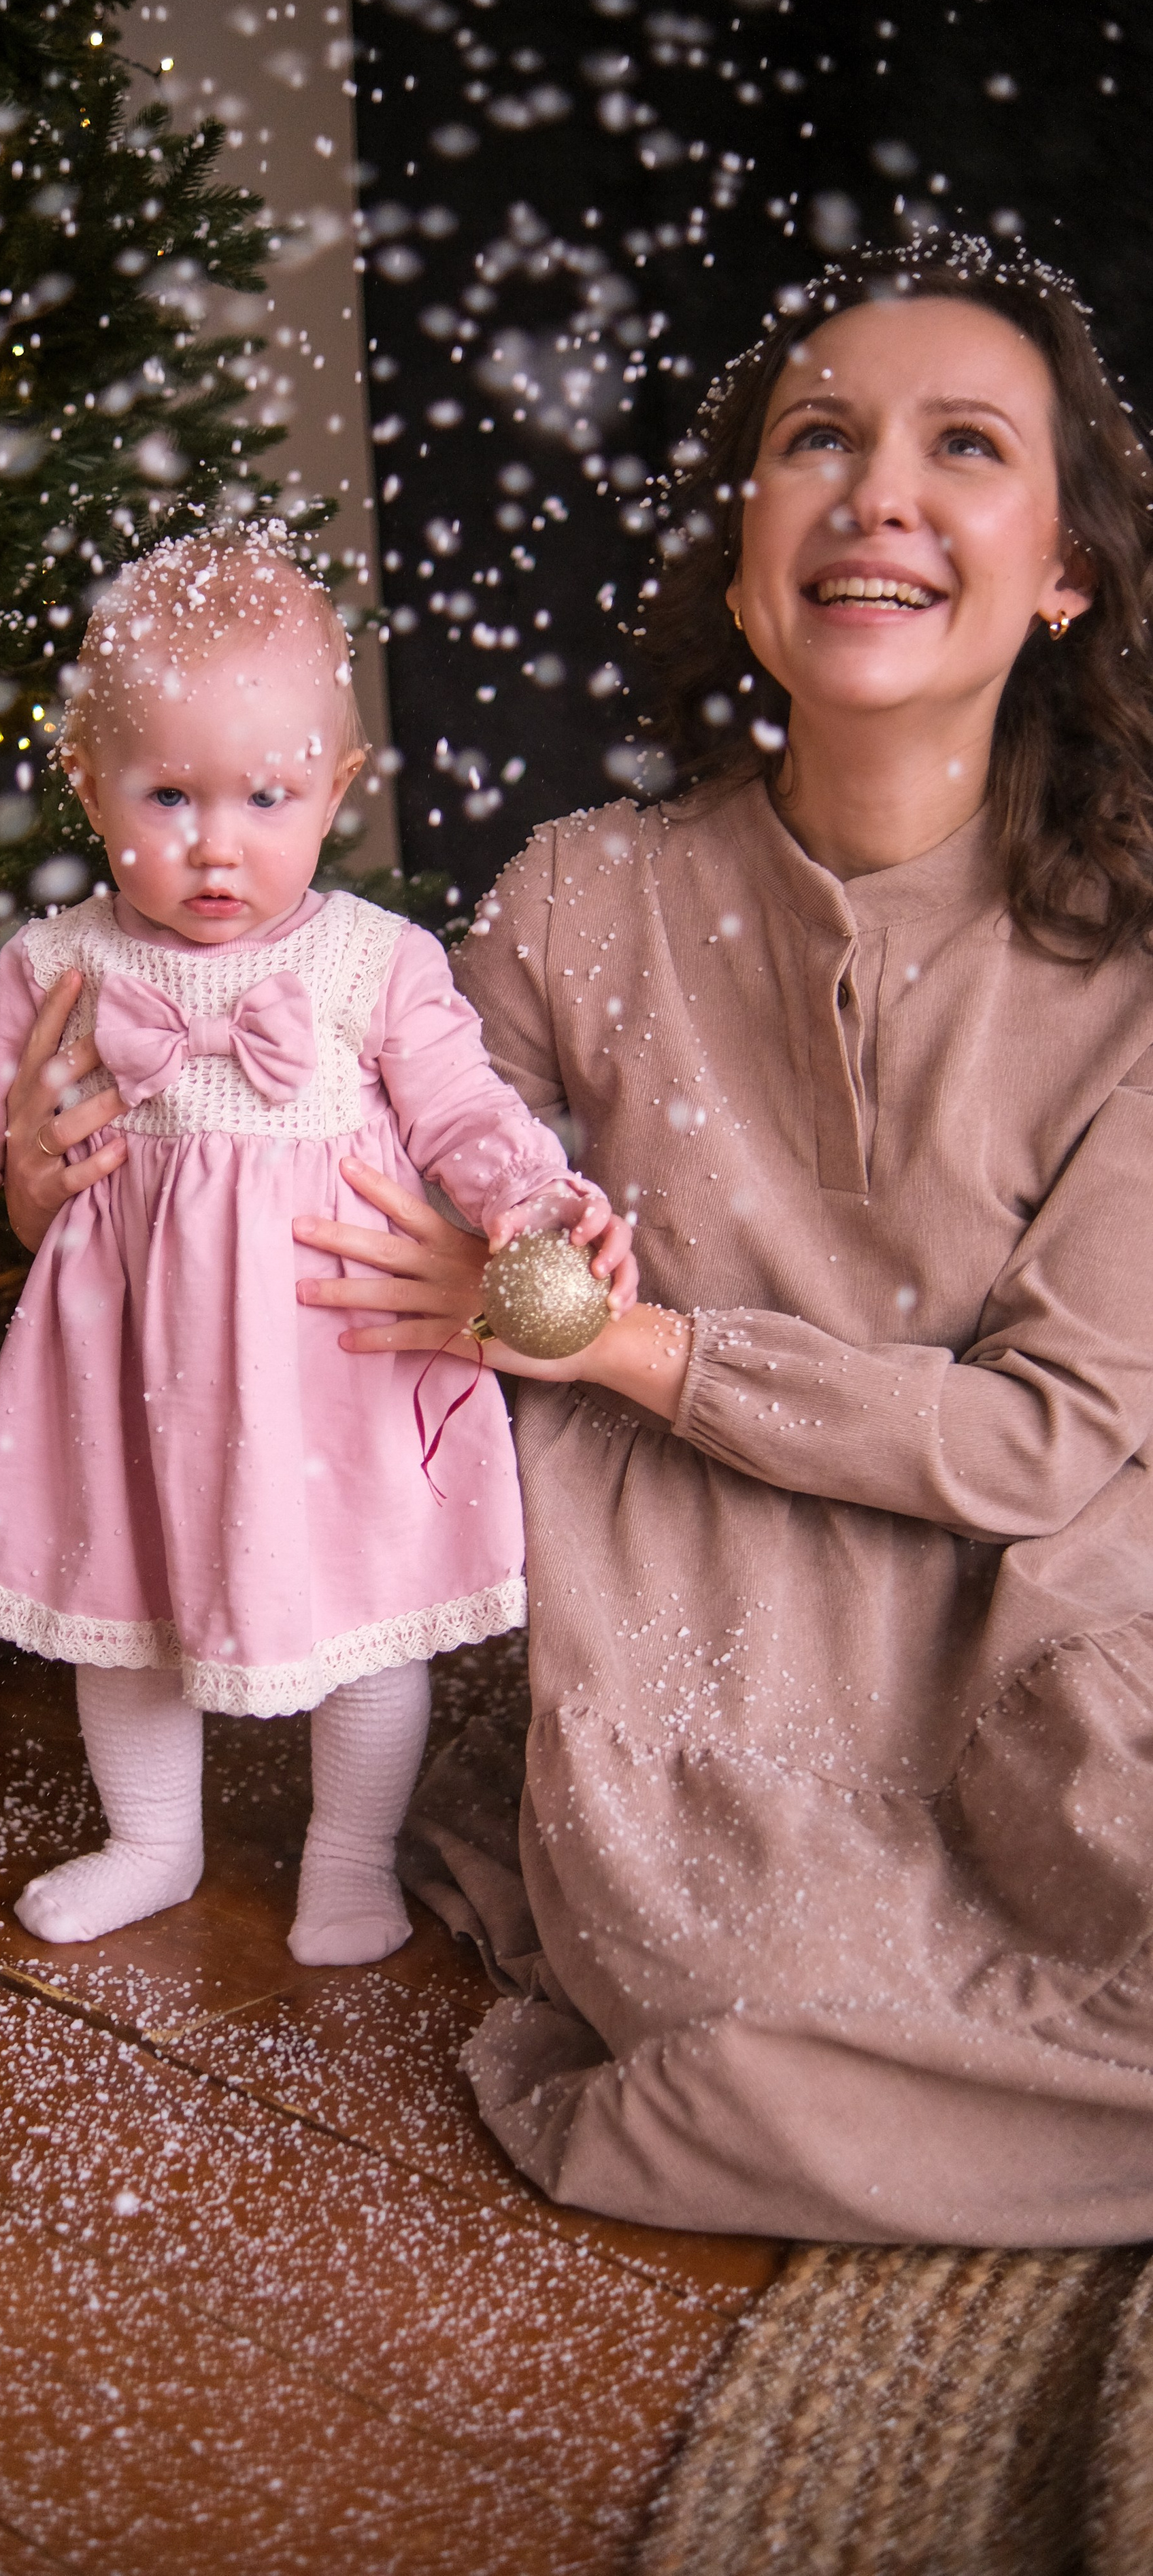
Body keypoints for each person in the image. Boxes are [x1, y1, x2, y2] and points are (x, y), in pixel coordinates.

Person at [282, 239, 1153, 2246]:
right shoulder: (586, 900)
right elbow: (354, 1221)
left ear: (1065, 576)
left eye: (965, 447)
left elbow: (1038, 1443)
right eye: (816, 441)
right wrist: (107, 1180)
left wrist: (635, 1351)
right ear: (751, 558)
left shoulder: (1126, 995)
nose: (879, 493)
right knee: (733, 2034)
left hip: (1045, 1586)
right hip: (694, 1626)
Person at [0, 528, 635, 1968]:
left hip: (331, 1363)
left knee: (370, 1629)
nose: (214, 843)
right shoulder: (58, 966)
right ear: (87, 784)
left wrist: (534, 1208)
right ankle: (151, 1843)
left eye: (265, 796)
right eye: (167, 795)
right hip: (131, 1364)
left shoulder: (373, 962)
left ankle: (348, 1858)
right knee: (126, 1616)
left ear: (338, 792)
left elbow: (469, 1114)